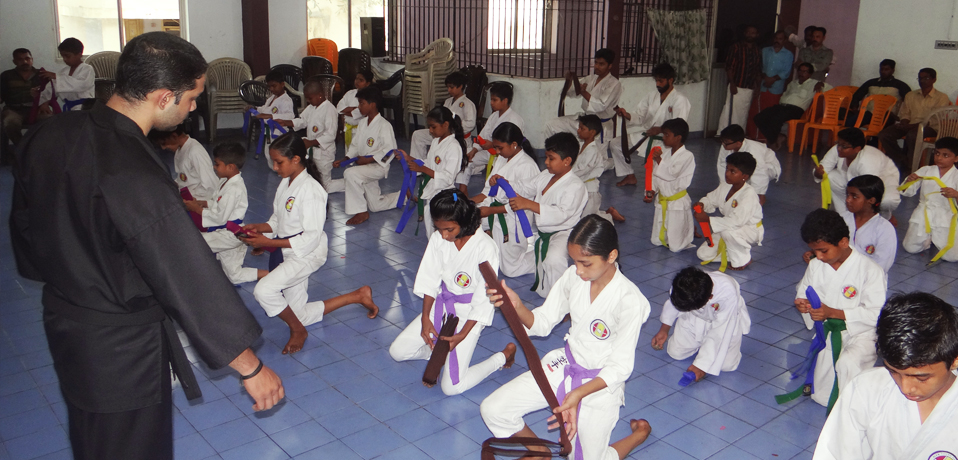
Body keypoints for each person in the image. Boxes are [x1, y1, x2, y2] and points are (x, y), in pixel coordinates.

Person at [9, 32, 284, 459]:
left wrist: (78, 271)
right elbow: (182, 271)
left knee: (93, 440)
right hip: (121, 349)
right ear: (161, 96)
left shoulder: (49, 134)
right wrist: (250, 365)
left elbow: (26, 230)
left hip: (66, 321)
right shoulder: (134, 171)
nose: (194, 107)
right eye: (192, 97)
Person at [481, 215, 653, 460]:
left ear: (611, 256)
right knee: (494, 409)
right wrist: (517, 306)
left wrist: (576, 395)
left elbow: (621, 367)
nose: (578, 270)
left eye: (586, 263)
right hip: (564, 365)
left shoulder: (630, 301)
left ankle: (639, 434)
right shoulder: (574, 277)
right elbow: (541, 323)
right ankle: (539, 451)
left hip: (599, 383)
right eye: (574, 261)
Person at [240, 132, 379, 354]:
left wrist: (268, 242)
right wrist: (258, 227)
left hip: (307, 254)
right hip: (289, 251)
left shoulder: (312, 191)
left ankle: (298, 331)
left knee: (264, 291)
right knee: (299, 314)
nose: (275, 168)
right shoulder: (286, 183)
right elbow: (277, 220)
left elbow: (310, 238)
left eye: (279, 162)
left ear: (296, 159)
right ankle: (358, 296)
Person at [389, 189, 518, 395]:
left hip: (468, 313)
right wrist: (425, 318)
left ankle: (503, 356)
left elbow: (484, 299)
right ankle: (440, 355)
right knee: (398, 352)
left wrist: (463, 334)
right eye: (439, 229)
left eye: (449, 229)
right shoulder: (440, 238)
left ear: (464, 221)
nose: (444, 235)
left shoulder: (485, 247)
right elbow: (429, 278)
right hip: (442, 304)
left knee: (451, 388)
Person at [813, 292, 958, 460]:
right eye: (893, 371)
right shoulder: (867, 388)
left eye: (921, 378)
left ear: (955, 360)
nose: (905, 387)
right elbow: (834, 452)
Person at [794, 208, 887, 409]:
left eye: (824, 250)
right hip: (827, 331)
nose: (817, 256)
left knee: (847, 363)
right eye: (815, 250)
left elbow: (876, 314)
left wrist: (833, 313)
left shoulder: (870, 270)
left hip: (861, 334)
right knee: (821, 394)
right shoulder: (816, 265)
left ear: (844, 242)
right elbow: (803, 290)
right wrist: (803, 304)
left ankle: (852, 407)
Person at [510, 132, 588, 297]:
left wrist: (530, 204)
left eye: (551, 158)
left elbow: (562, 214)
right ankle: (551, 294)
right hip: (544, 232)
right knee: (544, 264)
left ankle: (563, 300)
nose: (546, 162)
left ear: (567, 161)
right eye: (546, 157)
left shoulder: (575, 186)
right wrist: (505, 182)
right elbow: (526, 187)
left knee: (553, 259)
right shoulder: (546, 175)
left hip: (564, 232)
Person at [184, 142, 267, 284]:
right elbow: (219, 205)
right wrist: (204, 203)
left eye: (217, 164)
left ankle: (272, 274)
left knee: (194, 243)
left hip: (229, 234)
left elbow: (220, 217)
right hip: (230, 233)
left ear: (230, 167)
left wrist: (196, 209)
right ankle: (269, 274)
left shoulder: (234, 188)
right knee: (234, 276)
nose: (214, 167)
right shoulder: (224, 181)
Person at [650, 266, 751, 383]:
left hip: (725, 323)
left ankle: (713, 348)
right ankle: (700, 343)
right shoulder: (682, 284)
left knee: (726, 366)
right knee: (675, 353)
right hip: (694, 317)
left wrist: (701, 366)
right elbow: (672, 305)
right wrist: (664, 330)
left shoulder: (727, 292)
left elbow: (720, 331)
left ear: (710, 298)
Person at [473, 122, 540, 278]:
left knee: (510, 270)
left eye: (499, 148)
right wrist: (469, 202)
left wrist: (489, 211)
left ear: (514, 144)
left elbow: (522, 204)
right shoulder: (503, 158)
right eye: (495, 147)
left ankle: (543, 256)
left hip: (514, 218)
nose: (496, 152)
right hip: (494, 210)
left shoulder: (527, 166)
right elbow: (487, 192)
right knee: (467, 218)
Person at [612, 63, 691, 187]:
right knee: (615, 144)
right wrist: (626, 114)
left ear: (670, 80)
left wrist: (660, 129)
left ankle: (659, 187)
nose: (658, 84)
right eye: (656, 80)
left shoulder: (680, 100)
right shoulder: (651, 96)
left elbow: (679, 126)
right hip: (648, 135)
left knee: (657, 174)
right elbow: (640, 116)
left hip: (666, 142)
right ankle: (630, 175)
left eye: (661, 81)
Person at [399, 106, 468, 237]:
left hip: (444, 196)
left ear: (446, 124)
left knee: (440, 233)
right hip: (432, 192)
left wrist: (422, 169)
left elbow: (448, 178)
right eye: (429, 127)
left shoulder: (454, 147)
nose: (430, 131)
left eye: (433, 127)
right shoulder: (436, 141)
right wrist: (409, 158)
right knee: (431, 231)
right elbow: (429, 163)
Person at [335, 86, 399, 225]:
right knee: (376, 206)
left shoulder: (384, 125)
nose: (359, 107)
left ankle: (361, 212)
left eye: (361, 103)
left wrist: (369, 159)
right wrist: (346, 159)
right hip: (365, 168)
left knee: (351, 174)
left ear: (373, 104)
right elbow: (355, 145)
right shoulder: (363, 123)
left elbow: (390, 151)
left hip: (377, 166)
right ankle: (403, 196)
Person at [695, 151, 764, 270]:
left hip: (749, 229)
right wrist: (702, 204)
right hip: (727, 225)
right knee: (703, 254)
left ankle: (743, 259)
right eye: (727, 169)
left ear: (745, 176)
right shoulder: (725, 186)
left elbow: (736, 222)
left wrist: (707, 219)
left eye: (733, 171)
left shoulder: (749, 195)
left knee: (728, 232)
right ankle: (732, 251)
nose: (727, 174)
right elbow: (710, 199)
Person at [544, 48, 622, 152]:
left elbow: (600, 105)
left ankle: (610, 163)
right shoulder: (590, 78)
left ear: (610, 66)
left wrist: (583, 92)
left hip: (599, 126)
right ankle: (555, 154)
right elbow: (572, 92)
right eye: (596, 63)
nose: (597, 66)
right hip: (583, 120)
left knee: (597, 162)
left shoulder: (614, 84)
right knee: (551, 125)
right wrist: (569, 81)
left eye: (601, 64)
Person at [877, 68, 952, 172]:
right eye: (920, 78)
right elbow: (905, 113)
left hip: (930, 128)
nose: (922, 81)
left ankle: (911, 166)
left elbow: (934, 119)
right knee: (884, 134)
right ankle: (902, 159)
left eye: (926, 78)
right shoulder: (911, 95)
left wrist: (910, 126)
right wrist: (904, 123)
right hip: (910, 125)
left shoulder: (941, 97)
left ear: (934, 80)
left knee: (912, 135)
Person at [814, 128, 901, 217]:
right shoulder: (836, 150)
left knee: (887, 201)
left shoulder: (868, 161)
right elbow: (823, 168)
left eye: (844, 146)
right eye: (838, 144)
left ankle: (884, 217)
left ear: (857, 149)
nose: (839, 148)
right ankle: (844, 215)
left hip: (882, 183)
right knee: (831, 177)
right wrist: (818, 172)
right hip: (855, 180)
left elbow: (870, 189)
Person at [274, 80, 341, 192]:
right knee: (313, 175)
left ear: (320, 96)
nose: (308, 101)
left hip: (324, 152)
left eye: (310, 98)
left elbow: (331, 135)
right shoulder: (312, 107)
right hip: (311, 150)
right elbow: (302, 121)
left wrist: (312, 142)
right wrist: (286, 122)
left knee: (325, 186)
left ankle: (348, 183)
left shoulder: (330, 110)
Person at [457, 82, 524, 192]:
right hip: (489, 151)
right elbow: (483, 135)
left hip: (505, 154)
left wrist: (492, 144)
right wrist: (474, 150)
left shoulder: (515, 119)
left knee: (496, 174)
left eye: (494, 100)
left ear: (505, 101)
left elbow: (512, 143)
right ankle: (463, 192)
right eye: (491, 99)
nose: (491, 103)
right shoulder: (494, 116)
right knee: (465, 159)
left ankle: (489, 194)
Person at [900, 137, 958, 262]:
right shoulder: (925, 170)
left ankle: (939, 238)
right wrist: (909, 182)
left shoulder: (956, 176)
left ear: (956, 158)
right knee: (910, 248)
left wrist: (956, 194)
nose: (939, 158)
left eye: (945, 155)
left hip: (946, 216)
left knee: (952, 257)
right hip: (924, 214)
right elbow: (907, 192)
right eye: (937, 153)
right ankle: (928, 239)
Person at [826, 175, 897, 273]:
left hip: (868, 281)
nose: (848, 200)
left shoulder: (884, 229)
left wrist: (853, 273)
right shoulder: (841, 219)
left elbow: (882, 264)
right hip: (838, 274)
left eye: (854, 196)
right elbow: (828, 245)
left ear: (871, 200)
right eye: (848, 195)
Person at [753, 62, 831, 149]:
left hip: (796, 109)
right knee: (759, 117)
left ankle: (772, 143)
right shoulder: (793, 83)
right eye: (800, 71)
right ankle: (777, 138)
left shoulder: (814, 83)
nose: (801, 74)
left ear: (810, 74)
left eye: (805, 72)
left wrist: (822, 84)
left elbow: (831, 89)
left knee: (776, 119)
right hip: (782, 106)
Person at [648, 118, 695, 252]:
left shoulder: (687, 156)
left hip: (677, 202)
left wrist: (658, 160)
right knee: (656, 240)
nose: (663, 138)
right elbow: (655, 174)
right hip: (662, 199)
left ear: (678, 137)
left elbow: (671, 174)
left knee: (676, 246)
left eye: (667, 135)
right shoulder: (665, 153)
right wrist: (651, 190)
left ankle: (686, 234)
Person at [409, 71, 476, 161]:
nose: (449, 90)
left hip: (458, 138)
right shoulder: (447, 101)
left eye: (451, 87)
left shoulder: (468, 104)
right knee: (418, 135)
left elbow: (471, 124)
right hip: (441, 133)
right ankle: (418, 166)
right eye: (448, 87)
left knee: (465, 164)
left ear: (460, 86)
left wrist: (452, 128)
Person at [573, 114, 624, 223]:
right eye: (579, 127)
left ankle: (609, 216)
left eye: (582, 128)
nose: (578, 130)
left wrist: (564, 175)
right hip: (580, 186)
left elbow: (582, 171)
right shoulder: (582, 146)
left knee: (588, 221)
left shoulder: (592, 150)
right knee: (582, 216)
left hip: (590, 190)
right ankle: (606, 212)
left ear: (592, 132)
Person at [717, 124, 781, 205]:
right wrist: (724, 188)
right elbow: (722, 165)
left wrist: (760, 194)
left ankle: (757, 196)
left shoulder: (753, 149)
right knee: (732, 171)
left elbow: (760, 173)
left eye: (726, 143)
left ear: (738, 143)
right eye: (722, 141)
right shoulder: (726, 145)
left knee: (753, 177)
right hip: (744, 166)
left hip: (768, 167)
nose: (723, 144)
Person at [718, 25, 762, 133]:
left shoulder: (757, 50)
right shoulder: (736, 47)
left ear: (757, 35)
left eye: (753, 33)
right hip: (736, 85)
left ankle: (738, 134)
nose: (750, 35)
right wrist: (732, 83)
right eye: (748, 32)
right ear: (744, 33)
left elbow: (758, 69)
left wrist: (757, 86)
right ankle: (724, 134)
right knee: (730, 111)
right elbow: (729, 67)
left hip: (750, 86)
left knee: (743, 112)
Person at [1, 48, 43, 158]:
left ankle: (40, 150)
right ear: (14, 61)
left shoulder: (41, 74)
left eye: (27, 58)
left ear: (32, 59)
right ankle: (23, 150)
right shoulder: (6, 75)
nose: (24, 62)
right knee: (10, 122)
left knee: (50, 120)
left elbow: (52, 93)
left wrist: (44, 102)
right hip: (13, 109)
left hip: (36, 109)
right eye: (20, 59)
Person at [845, 59, 912, 128]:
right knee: (850, 122)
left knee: (880, 127)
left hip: (887, 115)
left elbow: (910, 102)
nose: (883, 72)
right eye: (881, 69)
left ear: (893, 70)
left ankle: (875, 139)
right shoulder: (871, 83)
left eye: (886, 69)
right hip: (870, 113)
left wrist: (899, 116)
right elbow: (856, 96)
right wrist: (855, 110)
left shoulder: (900, 85)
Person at [37, 38, 95, 113]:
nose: (65, 59)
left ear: (79, 55)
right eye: (63, 56)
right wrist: (44, 101)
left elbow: (80, 85)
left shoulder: (87, 69)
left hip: (85, 108)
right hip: (69, 108)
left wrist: (56, 77)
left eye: (67, 56)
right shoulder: (63, 72)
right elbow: (52, 88)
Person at [251, 69, 296, 164]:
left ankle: (283, 171)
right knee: (269, 153)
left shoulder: (286, 100)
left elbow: (290, 116)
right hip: (269, 131)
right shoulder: (272, 97)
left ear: (282, 84)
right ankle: (277, 170)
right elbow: (264, 109)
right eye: (269, 86)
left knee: (279, 152)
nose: (271, 89)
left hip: (279, 132)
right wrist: (254, 109)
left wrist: (271, 116)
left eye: (274, 86)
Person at [337, 69, 374, 152]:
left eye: (361, 80)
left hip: (360, 129)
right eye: (356, 79)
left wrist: (347, 110)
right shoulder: (350, 93)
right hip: (348, 127)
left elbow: (361, 112)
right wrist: (353, 109)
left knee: (359, 152)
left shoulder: (369, 97)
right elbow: (339, 108)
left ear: (367, 83)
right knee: (348, 152)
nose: (357, 82)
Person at [758, 31, 795, 112]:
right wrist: (765, 78)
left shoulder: (788, 54)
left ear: (785, 40)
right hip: (763, 86)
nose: (777, 41)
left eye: (780, 39)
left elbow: (786, 72)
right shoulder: (765, 51)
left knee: (772, 112)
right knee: (760, 111)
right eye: (776, 38)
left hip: (776, 88)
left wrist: (772, 79)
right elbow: (759, 66)